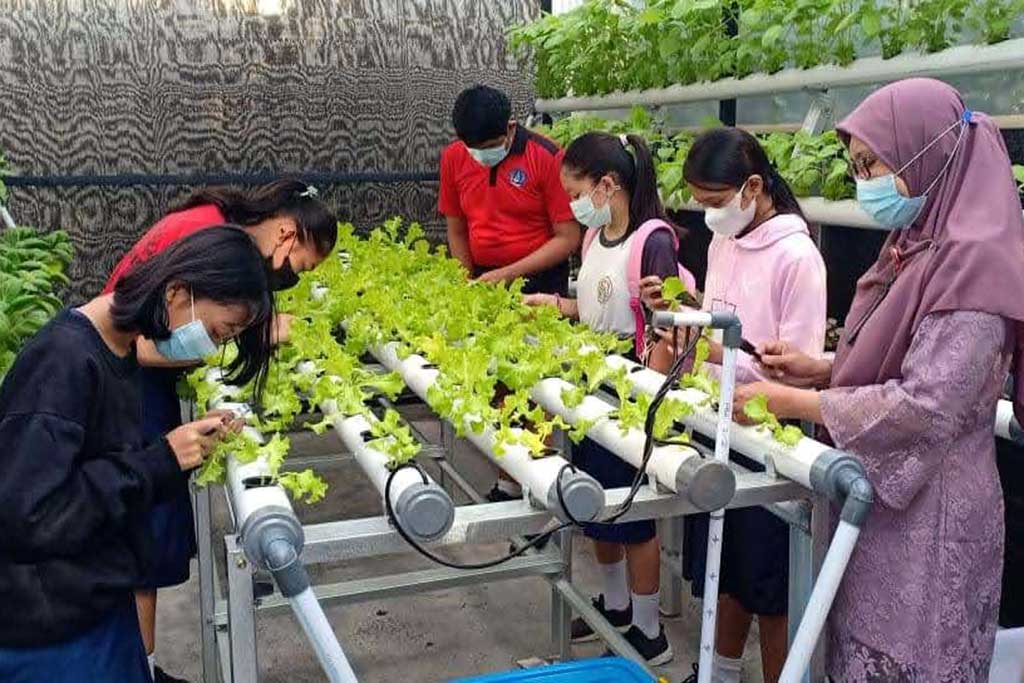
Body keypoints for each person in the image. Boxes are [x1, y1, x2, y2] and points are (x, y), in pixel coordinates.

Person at [733, 78, 1024, 681]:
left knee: (916, 658)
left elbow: (928, 405)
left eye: (871, 163)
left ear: (928, 152)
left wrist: (799, 400)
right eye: (857, 164)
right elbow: (909, 359)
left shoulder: (973, 262)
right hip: (885, 500)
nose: (863, 180)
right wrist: (825, 368)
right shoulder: (919, 243)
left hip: (933, 516)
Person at [0, 227, 276, 682]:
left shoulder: (117, 348)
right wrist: (161, 459)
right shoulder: (63, 361)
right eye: (213, 331)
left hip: (97, 602)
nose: (208, 348)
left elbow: (96, 467)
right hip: (51, 631)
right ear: (177, 292)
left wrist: (183, 449)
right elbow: (27, 516)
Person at [103, 179, 337, 683]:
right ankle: (136, 670)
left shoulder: (214, 223)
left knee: (151, 528)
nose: (292, 279)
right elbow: (140, 342)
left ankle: (138, 665)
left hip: (135, 374)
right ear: (285, 233)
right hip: (127, 379)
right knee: (145, 530)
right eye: (301, 266)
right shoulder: (206, 236)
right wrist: (233, 340)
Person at [640, 128, 827, 683]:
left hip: (767, 438)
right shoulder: (726, 240)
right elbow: (725, 318)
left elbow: (797, 364)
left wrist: (722, 351)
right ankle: (717, 672)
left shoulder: (798, 257)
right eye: (700, 203)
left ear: (752, 187)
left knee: (769, 584)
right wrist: (684, 310)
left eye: (714, 203)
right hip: (719, 422)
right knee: (725, 570)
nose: (707, 216)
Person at [526, 131, 695, 665]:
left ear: (607, 184)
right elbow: (596, 307)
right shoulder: (595, 238)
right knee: (598, 506)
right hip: (593, 381)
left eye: (576, 191)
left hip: (633, 388)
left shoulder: (653, 240)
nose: (573, 205)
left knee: (634, 514)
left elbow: (670, 328)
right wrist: (553, 304)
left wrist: (646, 397)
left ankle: (649, 633)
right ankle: (615, 605)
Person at [439, 84, 581, 504]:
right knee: (498, 383)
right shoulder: (454, 158)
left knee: (535, 385)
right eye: (472, 148)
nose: (479, 155)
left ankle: (534, 478)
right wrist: (465, 282)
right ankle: (508, 476)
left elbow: (567, 238)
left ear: (511, 128)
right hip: (483, 283)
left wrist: (507, 274)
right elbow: (456, 227)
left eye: (488, 146)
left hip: (539, 283)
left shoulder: (546, 156)